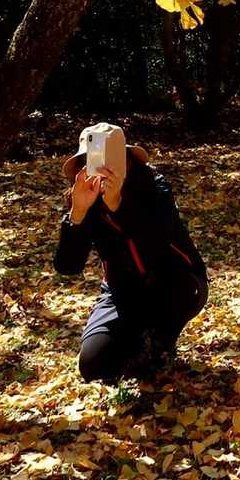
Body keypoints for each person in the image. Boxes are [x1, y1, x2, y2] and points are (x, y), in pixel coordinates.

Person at [53, 125, 208, 381]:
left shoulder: (155, 185)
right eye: (94, 159)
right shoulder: (84, 198)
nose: (104, 168)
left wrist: (117, 204)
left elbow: (158, 240)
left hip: (176, 283)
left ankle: (162, 343)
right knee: (93, 366)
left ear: (127, 159)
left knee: (174, 298)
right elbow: (68, 266)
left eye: (112, 159)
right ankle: (137, 343)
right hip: (121, 292)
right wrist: (77, 213)